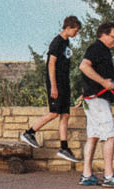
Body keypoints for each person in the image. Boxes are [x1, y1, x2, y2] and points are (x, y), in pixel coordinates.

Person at [20, 16, 82, 163]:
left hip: (65, 82)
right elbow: (51, 64)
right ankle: (29, 133)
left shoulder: (66, 42)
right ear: (68, 27)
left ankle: (64, 147)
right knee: (54, 113)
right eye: (75, 30)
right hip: (57, 83)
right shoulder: (57, 42)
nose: (76, 34)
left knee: (65, 114)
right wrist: (53, 86)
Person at [78, 21, 114, 188]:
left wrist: (86, 90)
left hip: (92, 98)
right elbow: (84, 67)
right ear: (104, 35)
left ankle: (87, 176)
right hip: (97, 99)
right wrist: (104, 83)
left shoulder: (102, 50)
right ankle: (108, 176)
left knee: (93, 136)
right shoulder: (97, 48)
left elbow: (88, 72)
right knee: (111, 135)